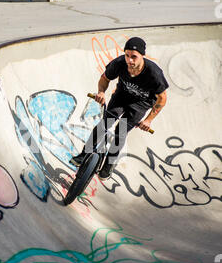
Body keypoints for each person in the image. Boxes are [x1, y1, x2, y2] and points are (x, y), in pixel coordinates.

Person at [70, 37, 169, 180]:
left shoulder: (154, 73)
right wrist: (101, 92)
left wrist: (148, 120)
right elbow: (105, 78)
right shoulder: (119, 63)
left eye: (134, 57)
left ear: (142, 56)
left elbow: (162, 98)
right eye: (127, 55)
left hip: (141, 104)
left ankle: (109, 165)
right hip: (121, 96)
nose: (130, 60)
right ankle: (84, 154)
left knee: (120, 131)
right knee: (105, 123)